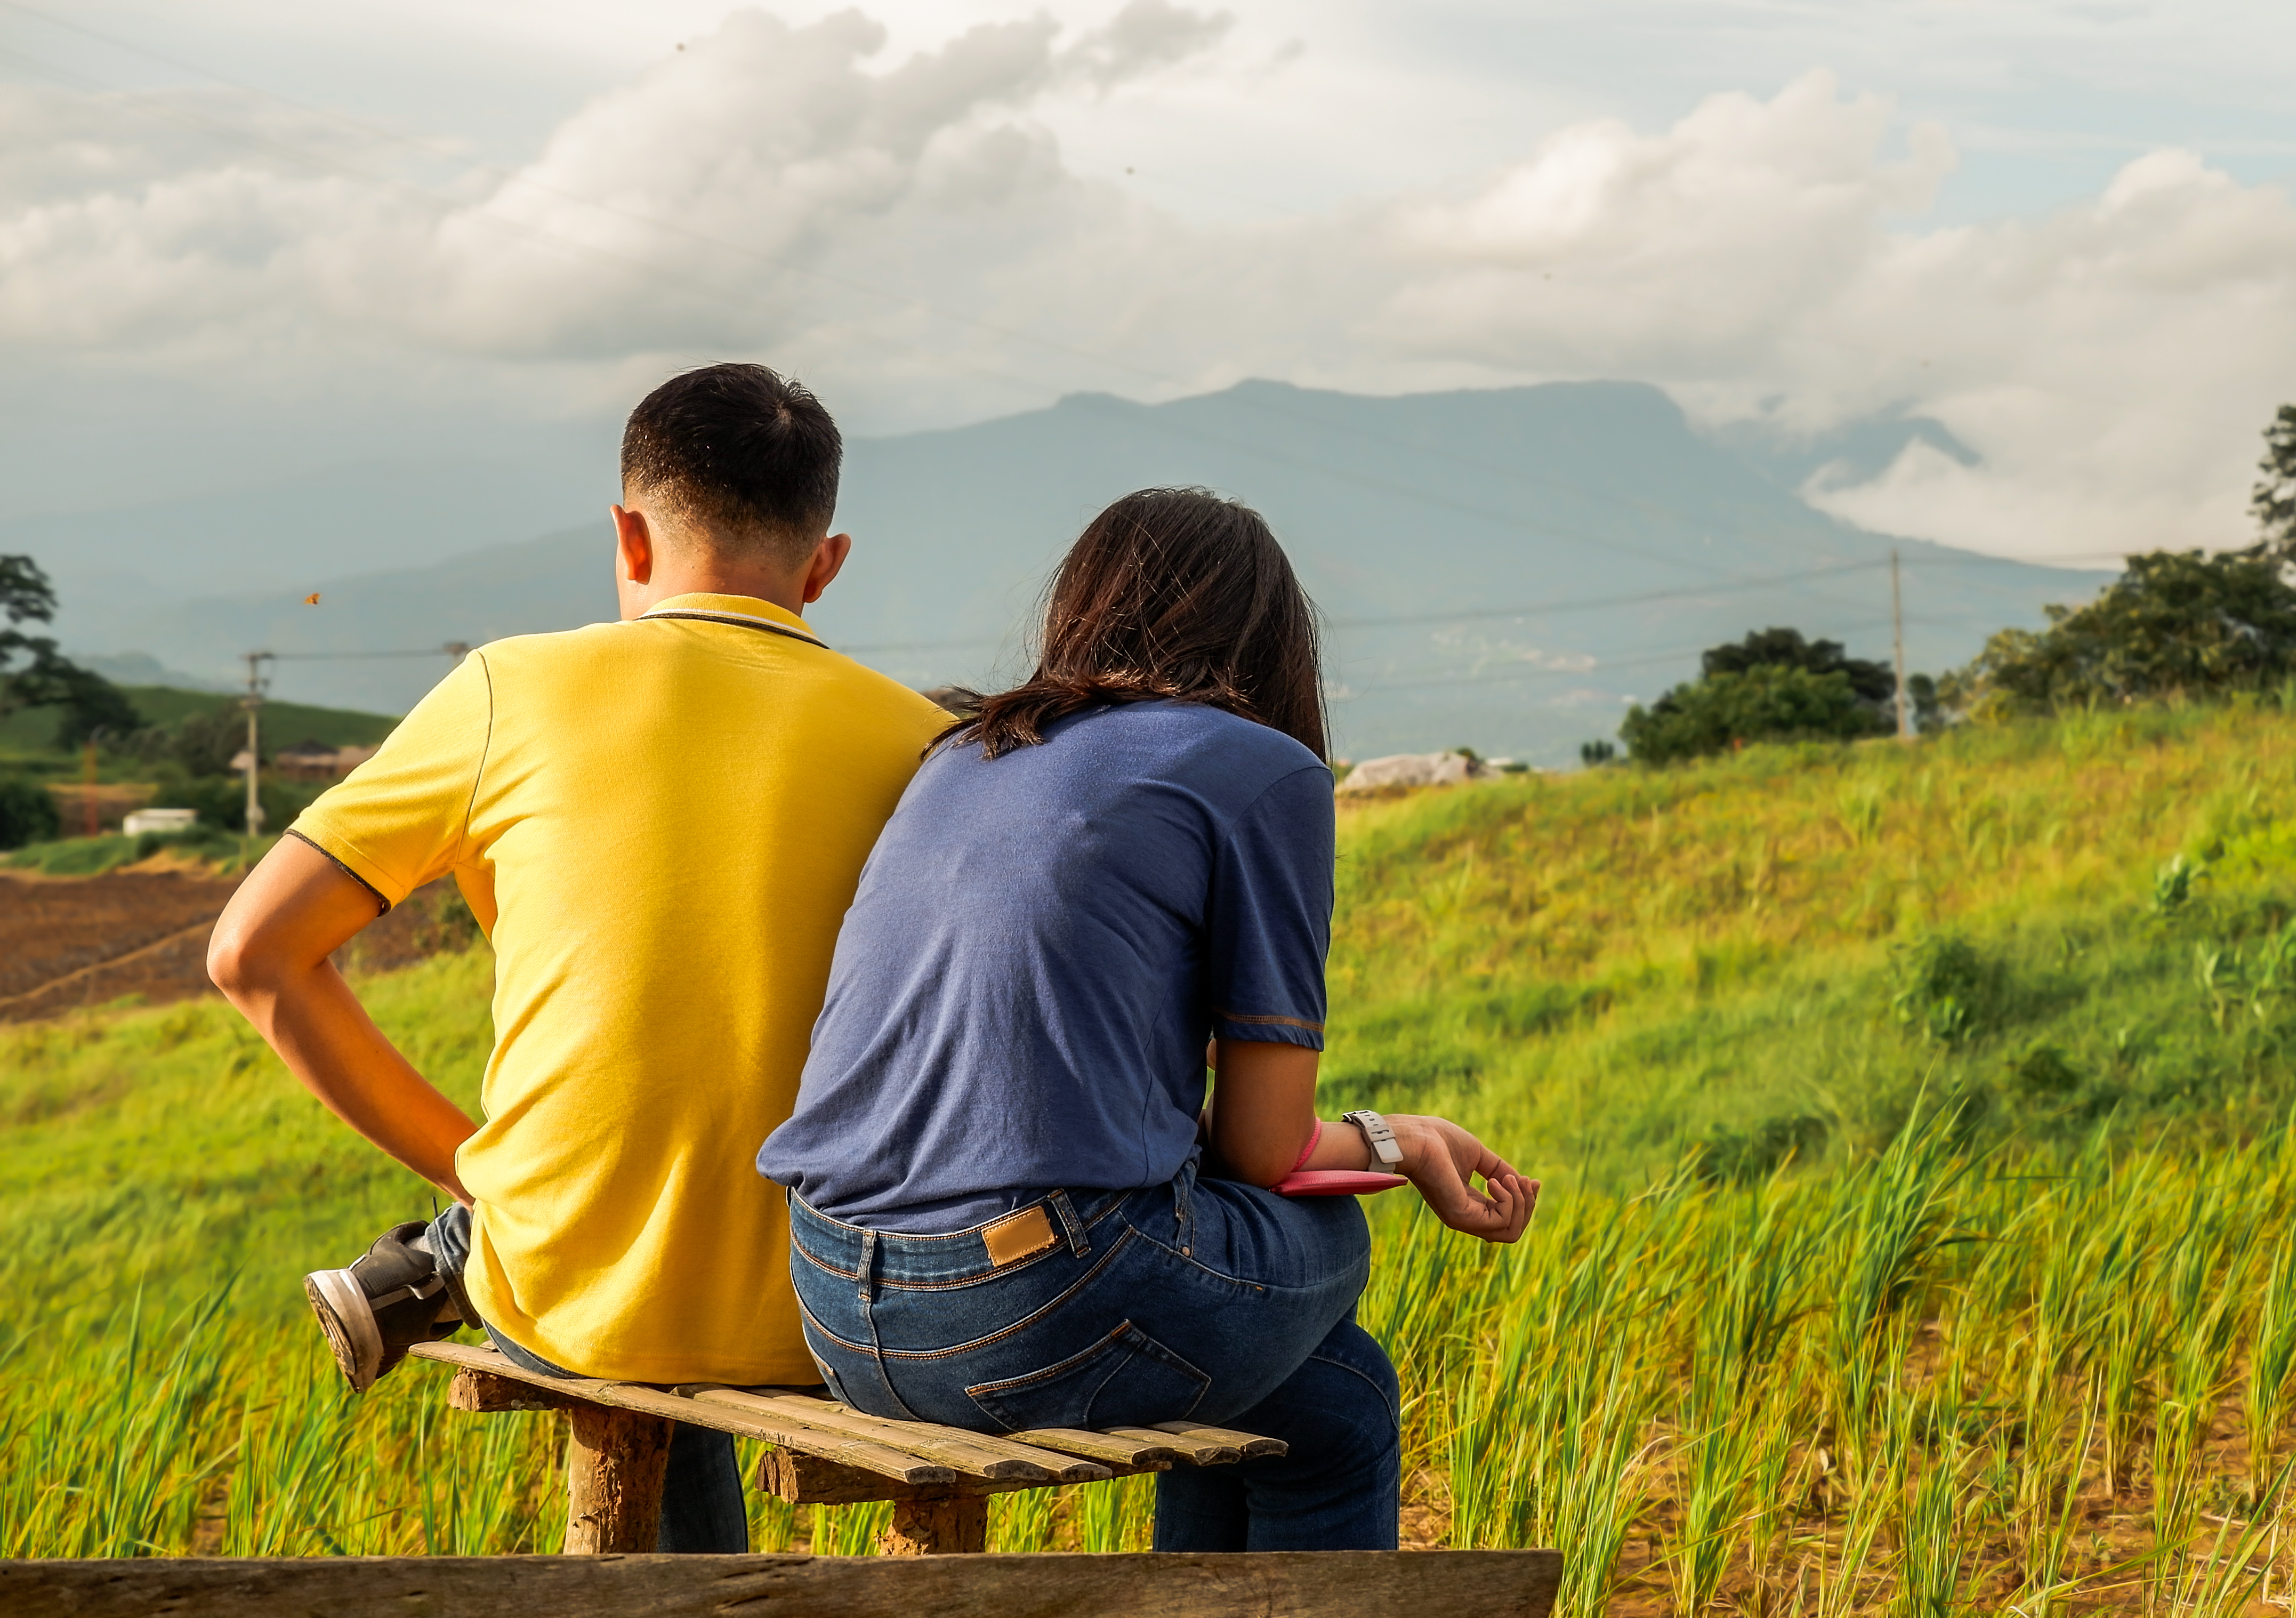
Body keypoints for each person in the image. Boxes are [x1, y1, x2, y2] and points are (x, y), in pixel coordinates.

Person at [207, 364, 950, 1553]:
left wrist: (477, 1174)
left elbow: (253, 954)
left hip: (567, 1284)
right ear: (826, 566)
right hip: (830, 1302)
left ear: (627, 537)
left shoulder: (513, 686)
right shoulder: (929, 744)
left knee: (626, 1305)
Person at [757, 486, 1541, 1553]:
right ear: (1275, 640)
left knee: (1339, 1399)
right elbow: (1266, 1150)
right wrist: (1405, 1143)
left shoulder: (966, 751)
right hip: (1029, 1302)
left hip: (837, 1300)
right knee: (1329, 1237)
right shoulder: (1265, 771)